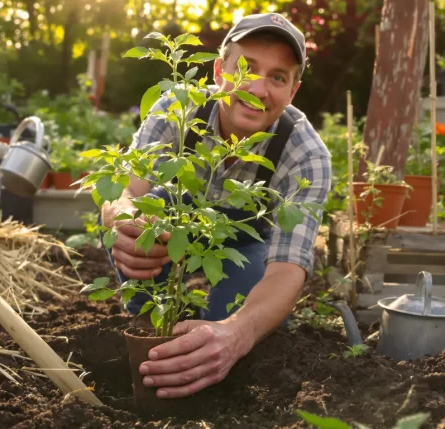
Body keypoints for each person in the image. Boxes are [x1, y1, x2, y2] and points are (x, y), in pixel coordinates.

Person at [99, 13, 332, 399]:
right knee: (146, 214)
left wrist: (236, 332)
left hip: (246, 249)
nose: (257, 88)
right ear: (218, 71)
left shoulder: (305, 154)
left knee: (240, 315)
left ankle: (218, 358)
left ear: (293, 92)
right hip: (173, 232)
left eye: (277, 77)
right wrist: (122, 218)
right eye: (244, 68)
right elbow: (124, 190)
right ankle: (148, 329)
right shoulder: (179, 107)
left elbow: (289, 268)